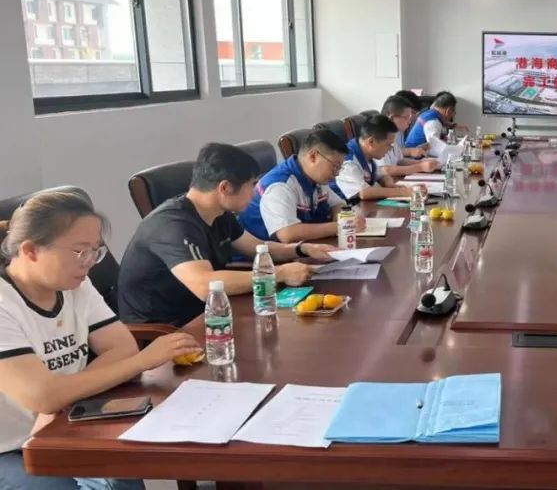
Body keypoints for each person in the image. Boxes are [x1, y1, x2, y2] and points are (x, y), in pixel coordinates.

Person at [0, 190, 202, 490]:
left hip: (63, 423)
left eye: (95, 251)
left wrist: (63, 395)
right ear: (30, 250)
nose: (89, 263)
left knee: (124, 472)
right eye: (80, 251)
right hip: (8, 447)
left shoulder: (74, 285)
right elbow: (42, 396)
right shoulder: (5, 303)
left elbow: (122, 347)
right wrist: (143, 361)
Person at [119, 143, 335, 327]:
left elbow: (258, 248)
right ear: (225, 188)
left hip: (212, 313)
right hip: (169, 330)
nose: (254, 192)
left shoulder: (219, 213)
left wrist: (301, 249)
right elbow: (204, 285)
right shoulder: (172, 224)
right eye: (252, 185)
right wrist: (279, 274)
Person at [240, 129, 362, 242]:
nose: (337, 173)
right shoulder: (280, 185)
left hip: (302, 248)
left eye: (339, 168)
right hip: (265, 255)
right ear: (313, 156)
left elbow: (337, 205)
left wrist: (344, 219)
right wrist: (341, 226)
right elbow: (287, 234)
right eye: (335, 166)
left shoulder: (314, 178)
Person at [333, 115, 417, 201]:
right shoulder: (347, 161)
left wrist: (390, 184)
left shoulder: (366, 152)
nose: (390, 149)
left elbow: (381, 175)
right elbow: (364, 193)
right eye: (388, 145)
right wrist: (403, 192)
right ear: (371, 142)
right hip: (346, 207)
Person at [377, 95, 440, 176]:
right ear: (392, 118)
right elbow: (386, 170)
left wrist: (422, 162)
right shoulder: (379, 135)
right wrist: (420, 167)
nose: (409, 122)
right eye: (406, 117)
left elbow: (400, 161)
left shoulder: (393, 134)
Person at [404, 91, 457, 158]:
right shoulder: (433, 122)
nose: (452, 115)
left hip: (413, 153)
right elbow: (434, 149)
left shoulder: (428, 114)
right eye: (453, 112)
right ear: (448, 111)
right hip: (414, 157)